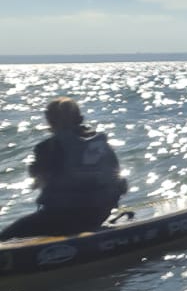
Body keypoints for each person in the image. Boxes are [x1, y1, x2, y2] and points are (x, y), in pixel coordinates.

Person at [0, 97, 129, 240]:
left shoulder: (47, 148)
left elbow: (38, 180)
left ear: (50, 121)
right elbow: (119, 181)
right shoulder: (100, 143)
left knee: (7, 236)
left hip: (62, 218)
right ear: (80, 118)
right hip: (100, 214)